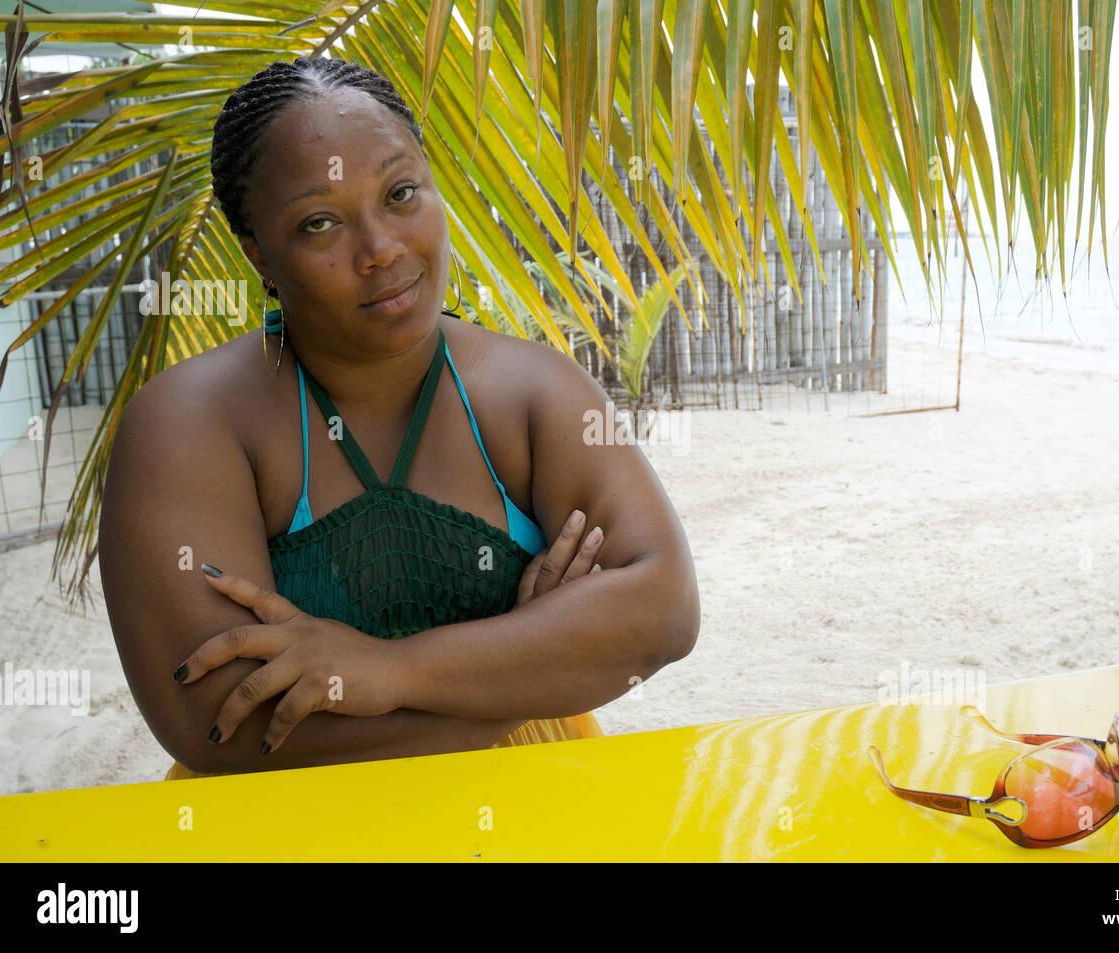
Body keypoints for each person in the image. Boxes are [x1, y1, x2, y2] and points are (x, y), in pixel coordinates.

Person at [98, 56, 699, 781]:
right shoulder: (189, 424)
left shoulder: (534, 389)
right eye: (319, 223)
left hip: (530, 803)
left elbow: (662, 608)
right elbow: (222, 720)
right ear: (258, 254)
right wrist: (522, 662)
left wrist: (389, 669)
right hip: (293, 823)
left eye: (401, 192)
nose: (381, 249)